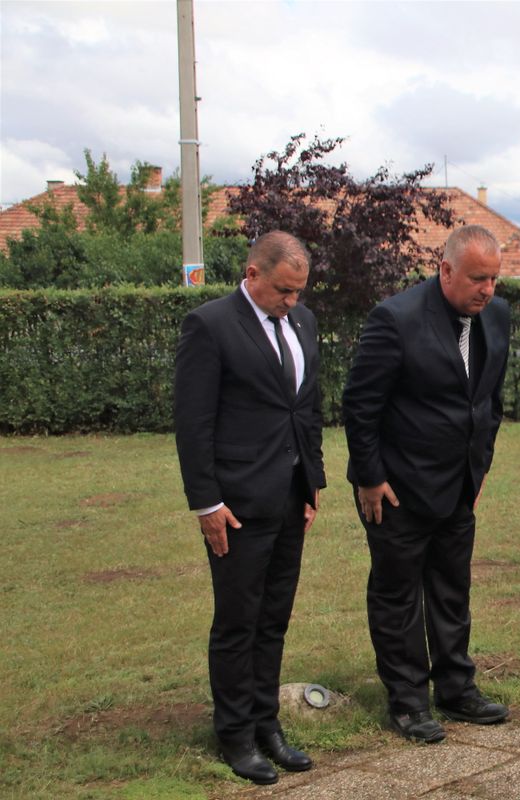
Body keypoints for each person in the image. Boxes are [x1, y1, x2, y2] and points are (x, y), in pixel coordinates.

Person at [342, 224, 512, 744]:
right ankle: (409, 701)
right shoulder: (395, 319)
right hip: (396, 492)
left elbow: (489, 402)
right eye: (477, 278)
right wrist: (370, 479)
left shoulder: (496, 318)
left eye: (494, 279)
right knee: (397, 597)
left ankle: (457, 688)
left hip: (458, 487)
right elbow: (360, 405)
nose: (487, 289)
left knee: (451, 589)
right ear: (445, 270)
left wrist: (477, 469)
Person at [174, 231, 325, 785]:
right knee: (239, 620)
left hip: (289, 498)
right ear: (253, 273)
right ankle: (235, 735)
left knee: (274, 617)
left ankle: (267, 725)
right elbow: (193, 425)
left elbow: (305, 408)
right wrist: (206, 503)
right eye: (284, 291)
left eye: (300, 292)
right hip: (235, 505)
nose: (292, 302)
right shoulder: (210, 326)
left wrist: (313, 484)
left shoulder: (302, 324)